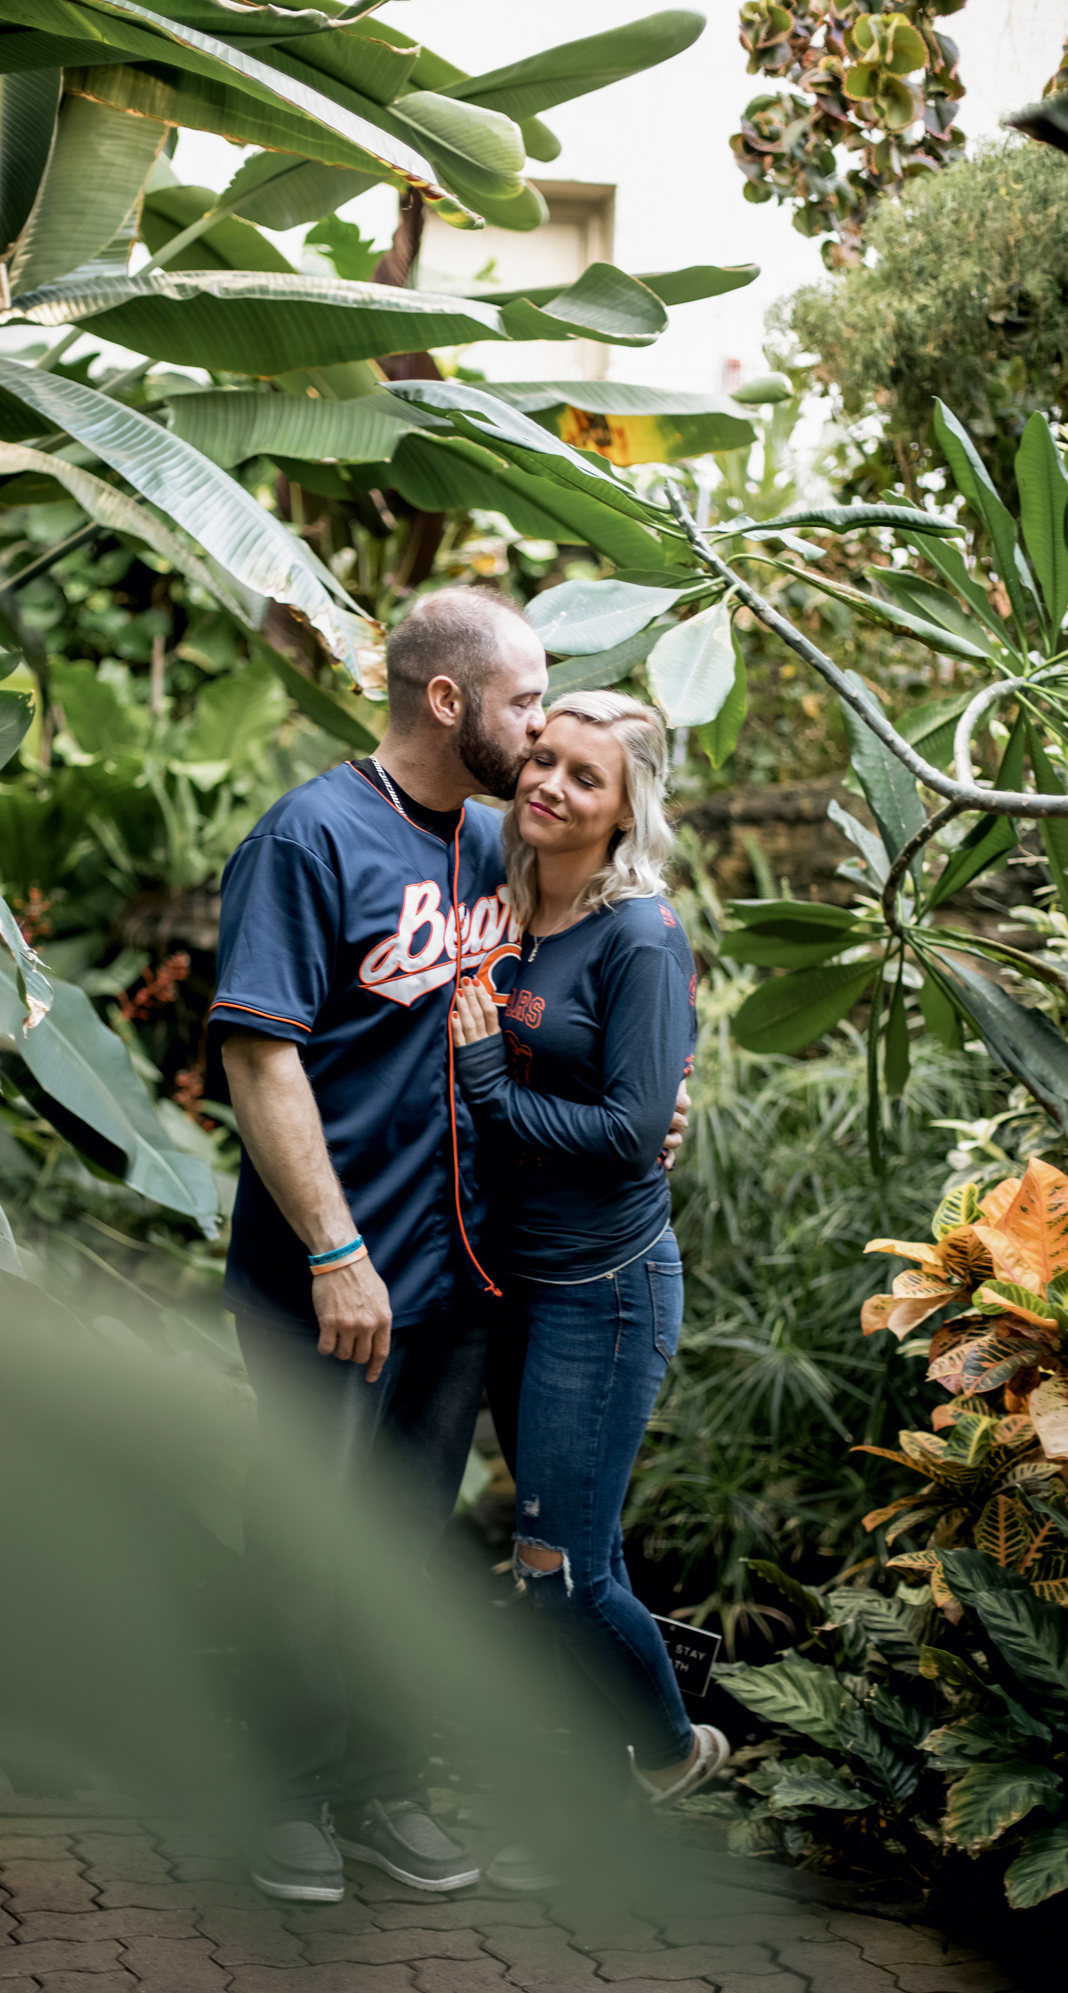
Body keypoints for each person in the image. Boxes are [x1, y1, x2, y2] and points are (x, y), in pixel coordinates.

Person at [211, 593, 690, 1904]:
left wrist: (655, 1101)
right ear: (447, 700)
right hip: (335, 1275)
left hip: (466, 1272)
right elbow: (258, 1056)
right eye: (525, 702)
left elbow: (604, 982)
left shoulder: (497, 842)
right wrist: (332, 1248)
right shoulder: (310, 836)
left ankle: (375, 1784)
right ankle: (284, 1789)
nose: (540, 733)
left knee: (405, 1542)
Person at [451, 690, 728, 1866]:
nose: (550, 785)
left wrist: (487, 1084)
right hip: (514, 1281)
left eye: (585, 776)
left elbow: (628, 1132)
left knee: (555, 1568)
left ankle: (669, 1754)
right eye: (543, 758)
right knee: (578, 1551)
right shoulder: (510, 903)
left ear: (625, 811)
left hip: (602, 1289)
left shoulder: (639, 935)